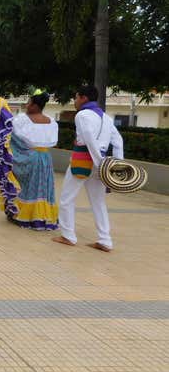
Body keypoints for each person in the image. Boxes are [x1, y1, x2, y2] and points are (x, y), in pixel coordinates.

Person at [52, 85, 124, 252]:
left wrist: (99, 163)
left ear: (84, 98)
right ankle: (105, 240)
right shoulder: (106, 118)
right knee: (98, 202)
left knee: (66, 199)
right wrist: (115, 167)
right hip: (102, 163)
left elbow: (89, 139)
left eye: (76, 97)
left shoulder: (82, 115)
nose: (75, 101)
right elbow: (118, 141)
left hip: (83, 160)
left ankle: (68, 235)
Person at [0, 92, 59, 230]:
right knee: (43, 187)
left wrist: (2, 111)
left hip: (29, 157)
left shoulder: (22, 119)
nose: (26, 105)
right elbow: (54, 141)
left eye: (28, 103)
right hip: (45, 158)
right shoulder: (52, 121)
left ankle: (24, 215)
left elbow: (9, 130)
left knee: (26, 186)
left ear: (34, 105)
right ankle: (42, 218)